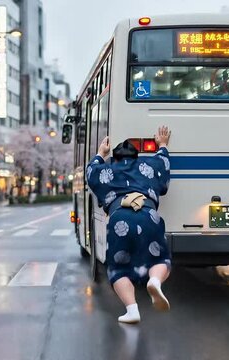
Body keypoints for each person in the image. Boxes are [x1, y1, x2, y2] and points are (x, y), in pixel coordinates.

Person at [86, 126, 172, 324]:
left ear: (115, 158)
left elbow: (91, 174)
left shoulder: (107, 169)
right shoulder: (148, 165)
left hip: (119, 217)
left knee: (119, 268)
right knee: (159, 258)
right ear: (136, 156)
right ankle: (155, 280)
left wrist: (100, 153)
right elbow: (163, 166)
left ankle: (132, 310)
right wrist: (163, 144)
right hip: (148, 215)